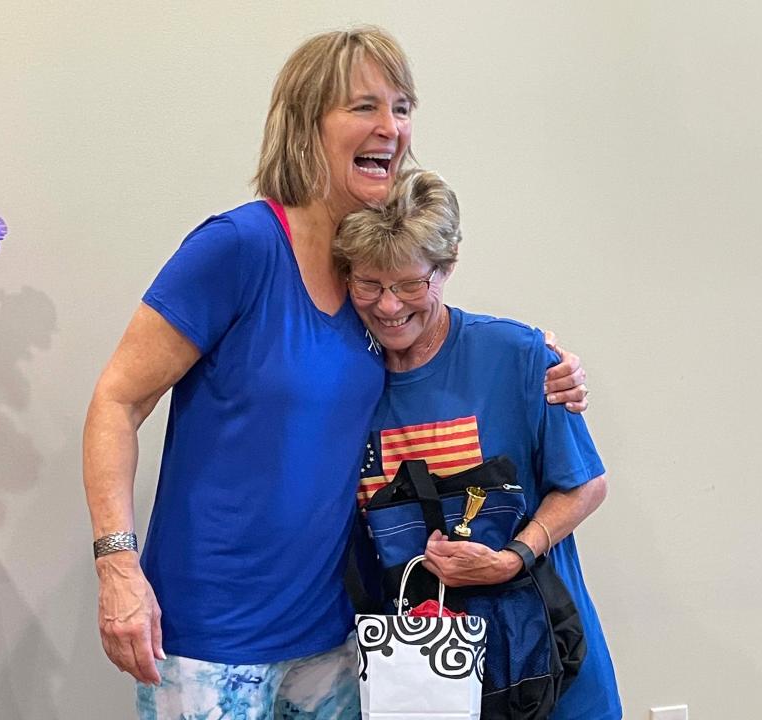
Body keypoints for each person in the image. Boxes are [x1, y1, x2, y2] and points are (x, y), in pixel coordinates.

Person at [82, 27, 588, 719]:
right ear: (305, 124)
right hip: (210, 636)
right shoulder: (238, 247)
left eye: (403, 107)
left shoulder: (367, 281)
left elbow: (440, 336)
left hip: (331, 635)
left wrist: (546, 364)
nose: (391, 127)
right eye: (365, 107)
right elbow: (116, 400)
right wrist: (117, 565)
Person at [336, 168, 621, 719]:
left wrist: (514, 556)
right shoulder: (340, 380)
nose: (389, 306)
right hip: (416, 686)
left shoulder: (516, 356)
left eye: (411, 284)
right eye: (369, 284)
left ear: (447, 266)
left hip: (544, 670)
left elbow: (586, 484)